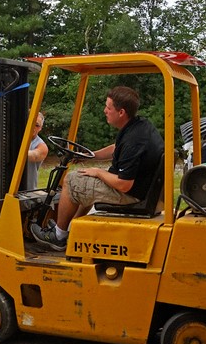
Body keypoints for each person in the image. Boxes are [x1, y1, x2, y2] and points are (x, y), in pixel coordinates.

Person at [30, 86, 163, 251]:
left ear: (121, 112)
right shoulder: (138, 126)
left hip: (130, 194)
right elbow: (116, 148)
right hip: (141, 188)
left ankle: (58, 236)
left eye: (108, 107)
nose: (104, 110)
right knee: (85, 179)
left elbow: (124, 184)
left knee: (72, 180)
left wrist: (99, 172)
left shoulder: (133, 140)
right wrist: (91, 155)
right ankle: (72, 230)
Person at [25, 111, 48, 189]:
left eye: (37, 125)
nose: (32, 127)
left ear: (40, 128)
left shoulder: (41, 146)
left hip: (26, 192)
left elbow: (34, 155)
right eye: (30, 122)